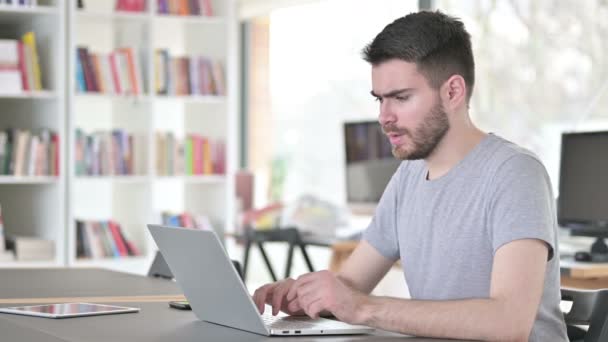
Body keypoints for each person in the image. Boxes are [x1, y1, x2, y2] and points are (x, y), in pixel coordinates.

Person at [252, 10, 568, 342]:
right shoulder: (409, 176)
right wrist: (309, 296)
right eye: (380, 100)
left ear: (453, 92)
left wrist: (362, 308)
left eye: (401, 98)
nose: (384, 117)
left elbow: (509, 324)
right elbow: (353, 285)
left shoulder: (515, 173)